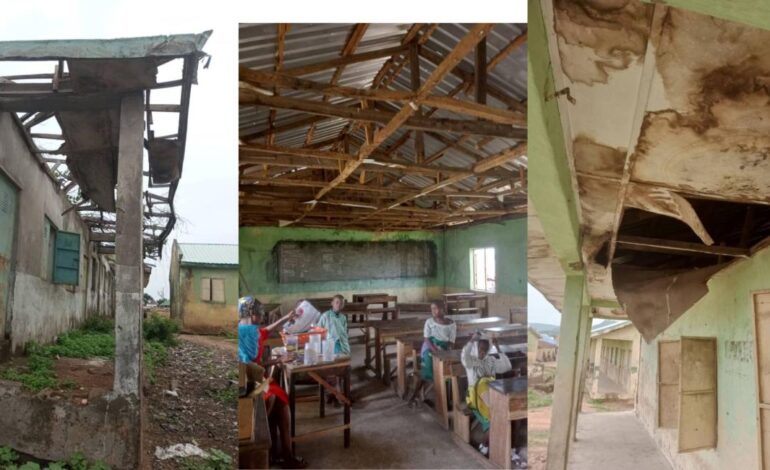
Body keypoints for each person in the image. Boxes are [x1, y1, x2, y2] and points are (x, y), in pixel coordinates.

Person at [238, 296, 307, 469]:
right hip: (250, 382)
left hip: (259, 378)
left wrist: (286, 318)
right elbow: (251, 367)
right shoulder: (246, 333)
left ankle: (286, 455)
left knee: (282, 404)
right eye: (260, 314)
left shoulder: (249, 328)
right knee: (272, 399)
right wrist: (278, 361)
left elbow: (265, 331)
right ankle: (268, 451)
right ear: (252, 314)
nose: (262, 317)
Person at [461, 332, 512, 456]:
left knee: (502, 416)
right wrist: (471, 341)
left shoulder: (491, 360)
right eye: (480, 348)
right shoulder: (470, 361)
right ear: (476, 348)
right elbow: (464, 356)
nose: (482, 351)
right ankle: (484, 445)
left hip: (491, 395)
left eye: (485, 349)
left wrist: (498, 348)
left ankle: (501, 446)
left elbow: (507, 366)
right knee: (495, 420)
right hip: (475, 399)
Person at [408, 300, 456, 406]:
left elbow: (452, 342)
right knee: (428, 369)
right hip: (430, 349)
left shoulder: (452, 324)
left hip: (444, 349)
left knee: (447, 369)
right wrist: (436, 352)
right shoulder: (429, 322)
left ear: (443, 309)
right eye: (432, 309)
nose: (433, 311)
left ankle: (445, 400)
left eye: (436, 308)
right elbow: (427, 339)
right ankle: (414, 396)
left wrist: (448, 353)